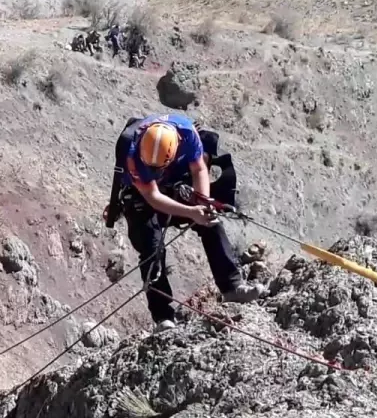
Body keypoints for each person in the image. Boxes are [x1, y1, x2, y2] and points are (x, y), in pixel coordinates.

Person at [103, 113, 266, 332]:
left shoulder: (188, 135)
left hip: (176, 184)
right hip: (142, 196)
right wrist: (191, 212)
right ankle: (163, 317)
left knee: (211, 223)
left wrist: (203, 204)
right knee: (151, 249)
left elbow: (199, 169)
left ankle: (232, 287)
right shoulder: (133, 152)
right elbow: (153, 197)